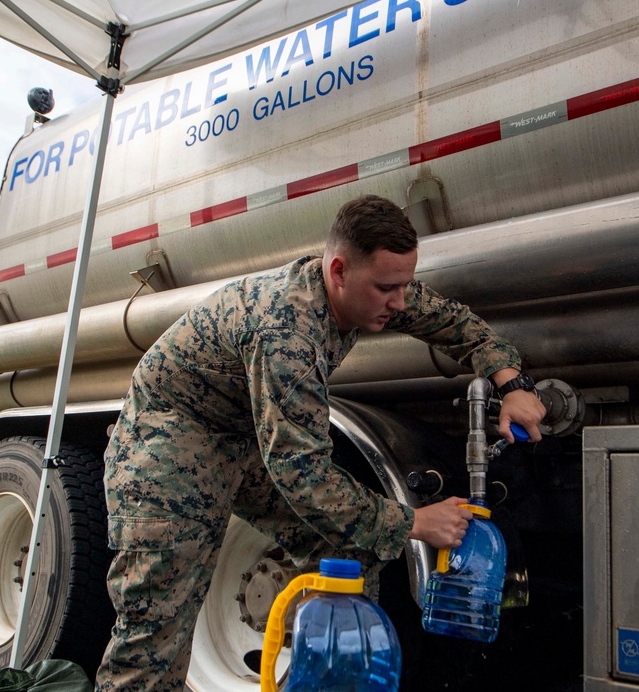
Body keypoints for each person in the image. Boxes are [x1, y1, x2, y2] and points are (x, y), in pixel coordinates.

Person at [95, 194, 546, 690]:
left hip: (242, 438)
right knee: (158, 623)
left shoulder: (375, 286)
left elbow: (454, 322)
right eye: (386, 288)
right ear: (338, 271)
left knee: (342, 545)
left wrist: (512, 385)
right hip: (170, 442)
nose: (398, 302)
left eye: (403, 286)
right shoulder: (286, 331)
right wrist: (416, 521)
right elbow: (303, 475)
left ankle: (320, 678)